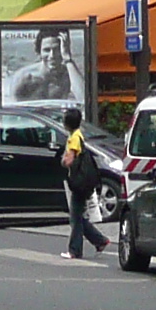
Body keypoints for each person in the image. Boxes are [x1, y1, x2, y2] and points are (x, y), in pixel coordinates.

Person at [59, 107, 108, 260]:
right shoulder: (78, 134)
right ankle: (100, 241)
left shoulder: (74, 138)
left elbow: (69, 159)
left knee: (75, 217)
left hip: (78, 183)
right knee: (79, 217)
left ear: (67, 123)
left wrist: (63, 160)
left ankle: (75, 250)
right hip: (82, 182)